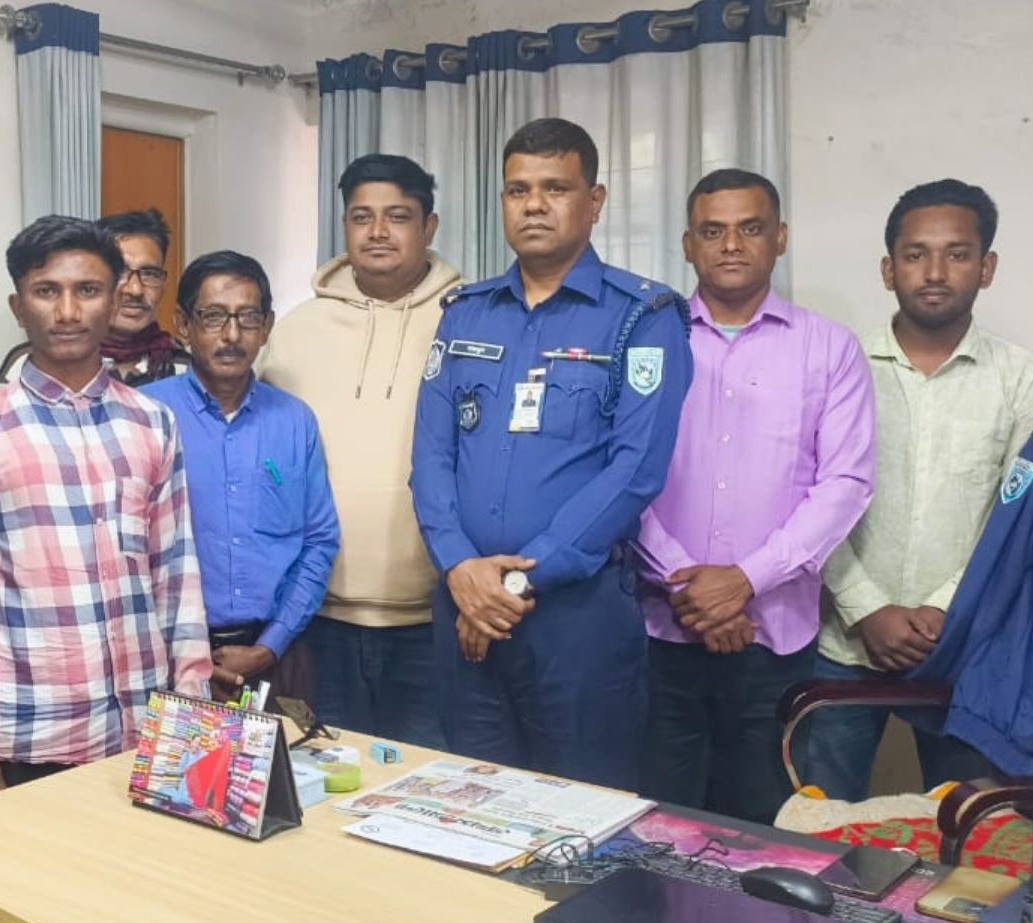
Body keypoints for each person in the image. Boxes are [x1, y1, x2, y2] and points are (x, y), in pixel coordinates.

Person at [410, 118, 692, 789]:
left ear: (594, 202)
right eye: (518, 190)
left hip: (576, 621)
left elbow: (635, 472)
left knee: (582, 815)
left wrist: (509, 587)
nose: (534, 205)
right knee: (472, 809)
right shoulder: (466, 312)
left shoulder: (642, 316)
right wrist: (461, 570)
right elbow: (431, 457)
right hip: (463, 607)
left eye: (555, 188)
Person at [0, 215, 214, 801]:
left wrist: (192, 714)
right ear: (18, 307)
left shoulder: (153, 423)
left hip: (143, 729)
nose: (66, 311)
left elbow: (176, 579)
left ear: (112, 300)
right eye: (46, 291)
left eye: (86, 290)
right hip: (26, 735)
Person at [801, 179, 1033, 801]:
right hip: (844, 643)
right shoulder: (838, 365)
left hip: (965, 650)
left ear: (986, 267)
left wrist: (946, 610)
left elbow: (1018, 516)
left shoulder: (1022, 378)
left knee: (966, 827)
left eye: (957, 254)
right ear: (888, 269)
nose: (936, 272)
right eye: (916, 254)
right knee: (820, 823)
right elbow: (807, 496)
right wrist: (866, 608)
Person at [635, 170, 877, 825]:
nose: (732, 245)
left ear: (780, 238)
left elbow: (846, 483)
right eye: (713, 231)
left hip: (773, 640)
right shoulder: (648, 342)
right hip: (659, 634)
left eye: (750, 228)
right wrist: (691, 589)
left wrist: (744, 581)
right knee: (655, 826)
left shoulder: (830, 348)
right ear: (688, 244)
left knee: (762, 832)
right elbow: (622, 472)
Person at [264, 153, 461, 748]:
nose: (377, 232)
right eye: (361, 217)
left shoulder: (468, 321)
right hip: (315, 618)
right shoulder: (296, 330)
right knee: (327, 777)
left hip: (434, 620)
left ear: (428, 227)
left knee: (426, 784)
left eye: (397, 216)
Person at [141, 251, 340, 705]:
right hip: (166, 659)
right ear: (184, 325)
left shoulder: (294, 421)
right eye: (213, 317)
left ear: (267, 327)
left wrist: (271, 644)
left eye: (248, 318)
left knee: (290, 756)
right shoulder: (145, 415)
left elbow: (319, 541)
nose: (232, 335)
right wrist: (185, 653)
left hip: (275, 658)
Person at [97, 208, 190, 387]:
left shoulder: (186, 373)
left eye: (149, 274)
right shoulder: (56, 364)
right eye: (120, 272)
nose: (136, 290)